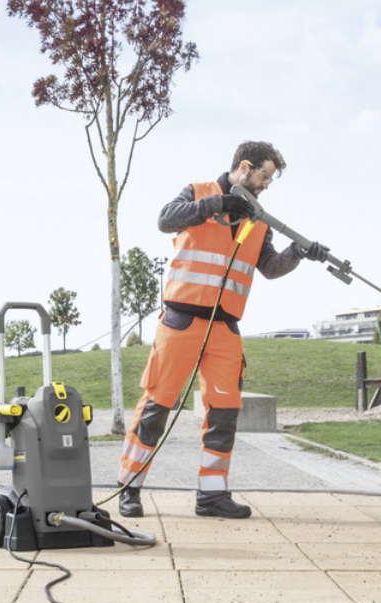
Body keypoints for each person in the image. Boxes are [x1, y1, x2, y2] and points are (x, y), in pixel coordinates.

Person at [115, 141, 329, 519]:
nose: (265, 185)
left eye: (269, 179)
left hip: (225, 329)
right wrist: (218, 205)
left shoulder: (259, 220)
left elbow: (270, 267)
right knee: (156, 407)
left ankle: (212, 495)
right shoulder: (198, 193)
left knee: (225, 412)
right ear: (245, 168)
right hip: (181, 322)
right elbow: (166, 219)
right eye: (264, 175)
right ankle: (129, 487)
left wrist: (297, 253)